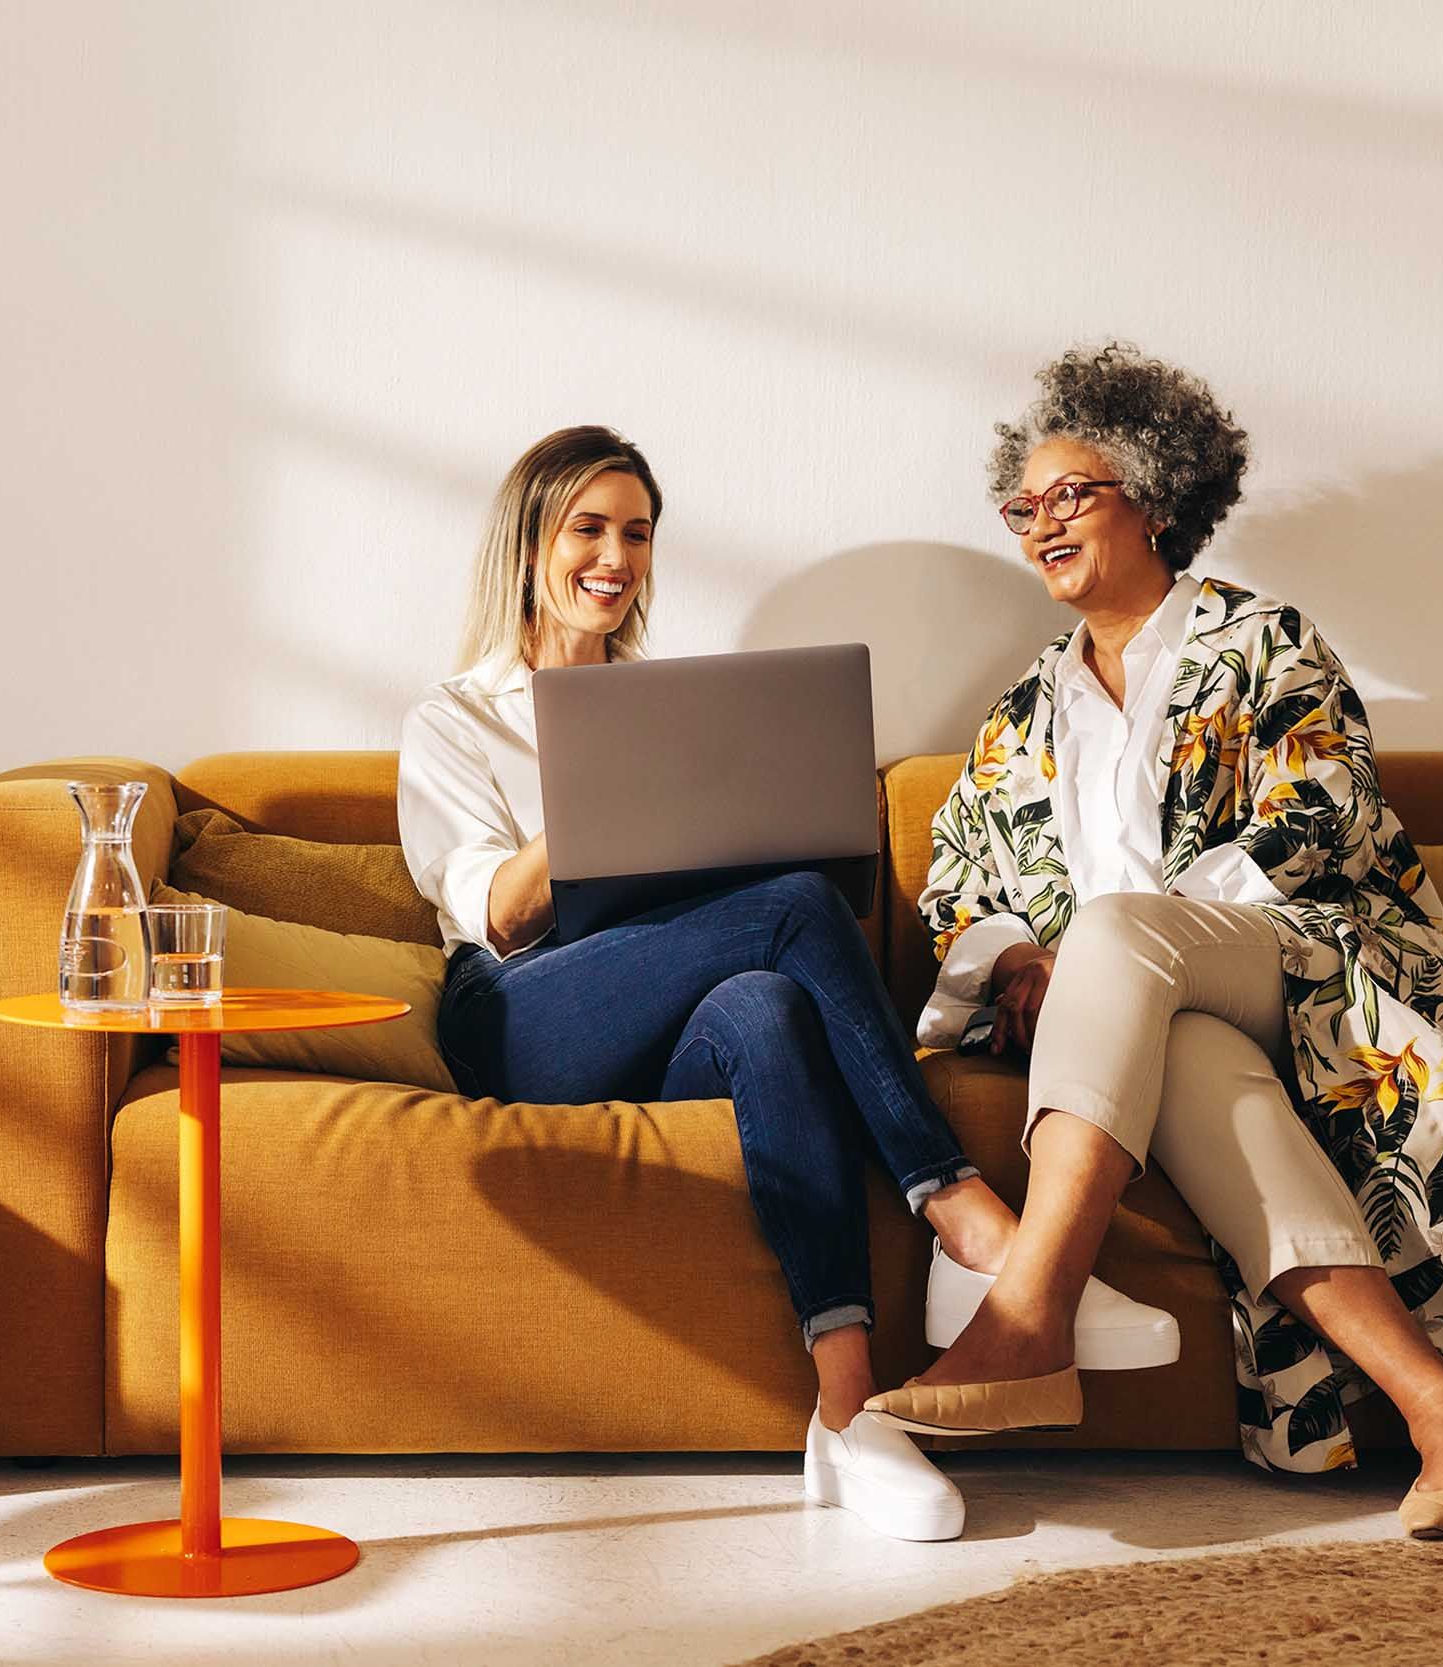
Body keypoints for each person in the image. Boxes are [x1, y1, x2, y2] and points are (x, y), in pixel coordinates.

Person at [870, 343, 1443, 1533]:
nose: (1039, 520)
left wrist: (1108, 942)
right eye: (1021, 503)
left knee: (1126, 932)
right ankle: (1437, 1408)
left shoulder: (1263, 641)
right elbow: (962, 883)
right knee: (1175, 1043)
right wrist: (1022, 958)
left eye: (1070, 492)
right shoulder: (1020, 714)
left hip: (1308, 965)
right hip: (1157, 1011)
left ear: (1157, 496)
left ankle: (1029, 1304)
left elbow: (1318, 816)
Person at [396, 424, 1180, 1543]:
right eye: (588, 528)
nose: (616, 555)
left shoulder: (669, 706)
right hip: (520, 1015)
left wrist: (725, 789)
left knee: (765, 1003)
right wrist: (619, 774)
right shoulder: (452, 718)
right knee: (796, 908)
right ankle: (972, 1224)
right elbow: (501, 912)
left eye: (638, 531)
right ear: (529, 543)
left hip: (666, 1004)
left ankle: (849, 1413)